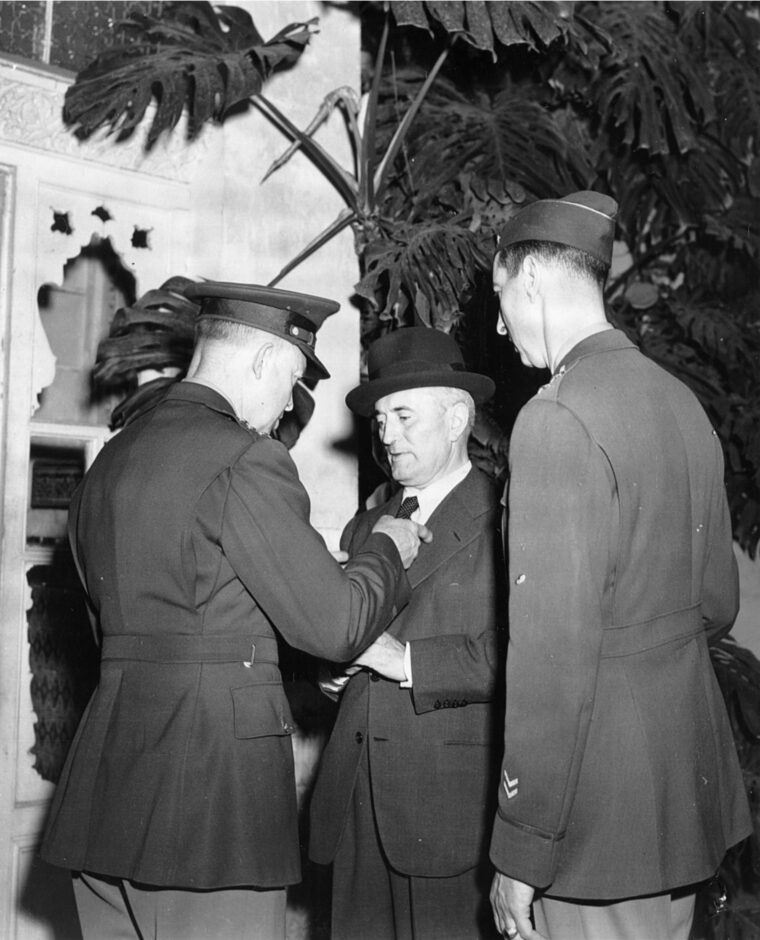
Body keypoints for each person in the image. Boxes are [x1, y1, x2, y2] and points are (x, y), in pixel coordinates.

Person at [40, 282, 431, 940]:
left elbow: (128, 629)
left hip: (104, 797)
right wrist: (387, 548)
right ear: (262, 362)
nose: (285, 409)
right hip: (213, 809)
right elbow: (335, 625)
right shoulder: (247, 458)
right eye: (292, 381)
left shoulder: (109, 464)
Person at [488, 192, 752, 940]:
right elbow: (717, 603)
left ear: (531, 280)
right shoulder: (678, 400)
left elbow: (550, 663)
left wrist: (521, 853)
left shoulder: (556, 417)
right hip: (680, 785)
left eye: (500, 297)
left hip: (596, 811)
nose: (500, 325)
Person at [309, 326, 505, 940]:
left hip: (447, 816)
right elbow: (336, 635)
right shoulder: (366, 525)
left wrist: (410, 661)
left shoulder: (505, 519)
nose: (385, 434)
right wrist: (330, 672)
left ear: (456, 420)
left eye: (402, 414)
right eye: (380, 418)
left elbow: (529, 656)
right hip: (352, 807)